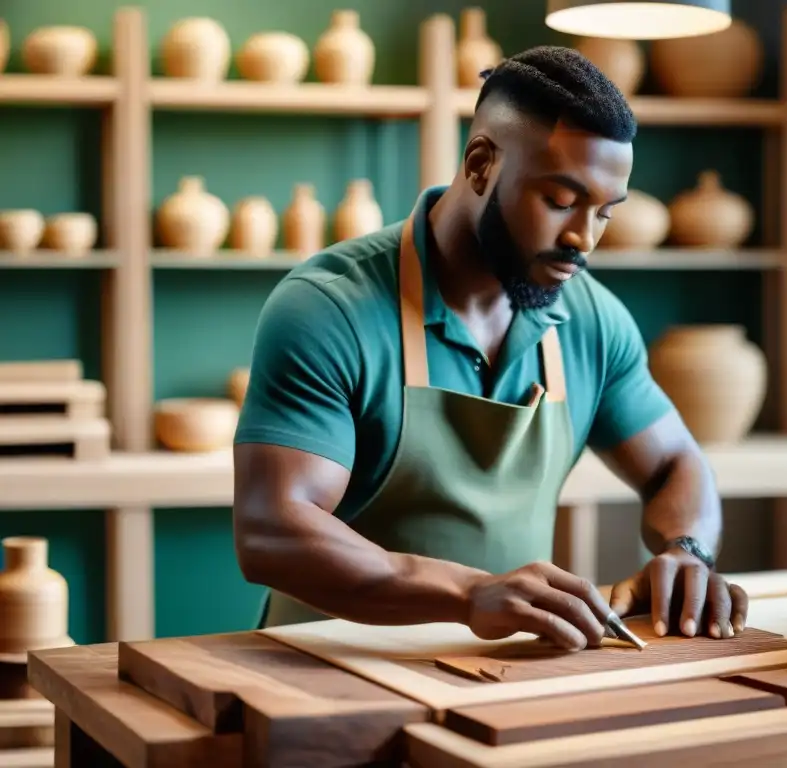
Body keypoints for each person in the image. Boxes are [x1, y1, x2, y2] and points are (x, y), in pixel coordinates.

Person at [232, 45, 748, 651]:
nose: (583, 238)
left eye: (604, 213)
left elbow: (674, 465)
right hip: (326, 668)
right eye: (560, 201)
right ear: (480, 163)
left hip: (499, 673)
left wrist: (687, 550)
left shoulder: (593, 321)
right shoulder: (329, 309)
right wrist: (467, 593)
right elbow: (273, 530)